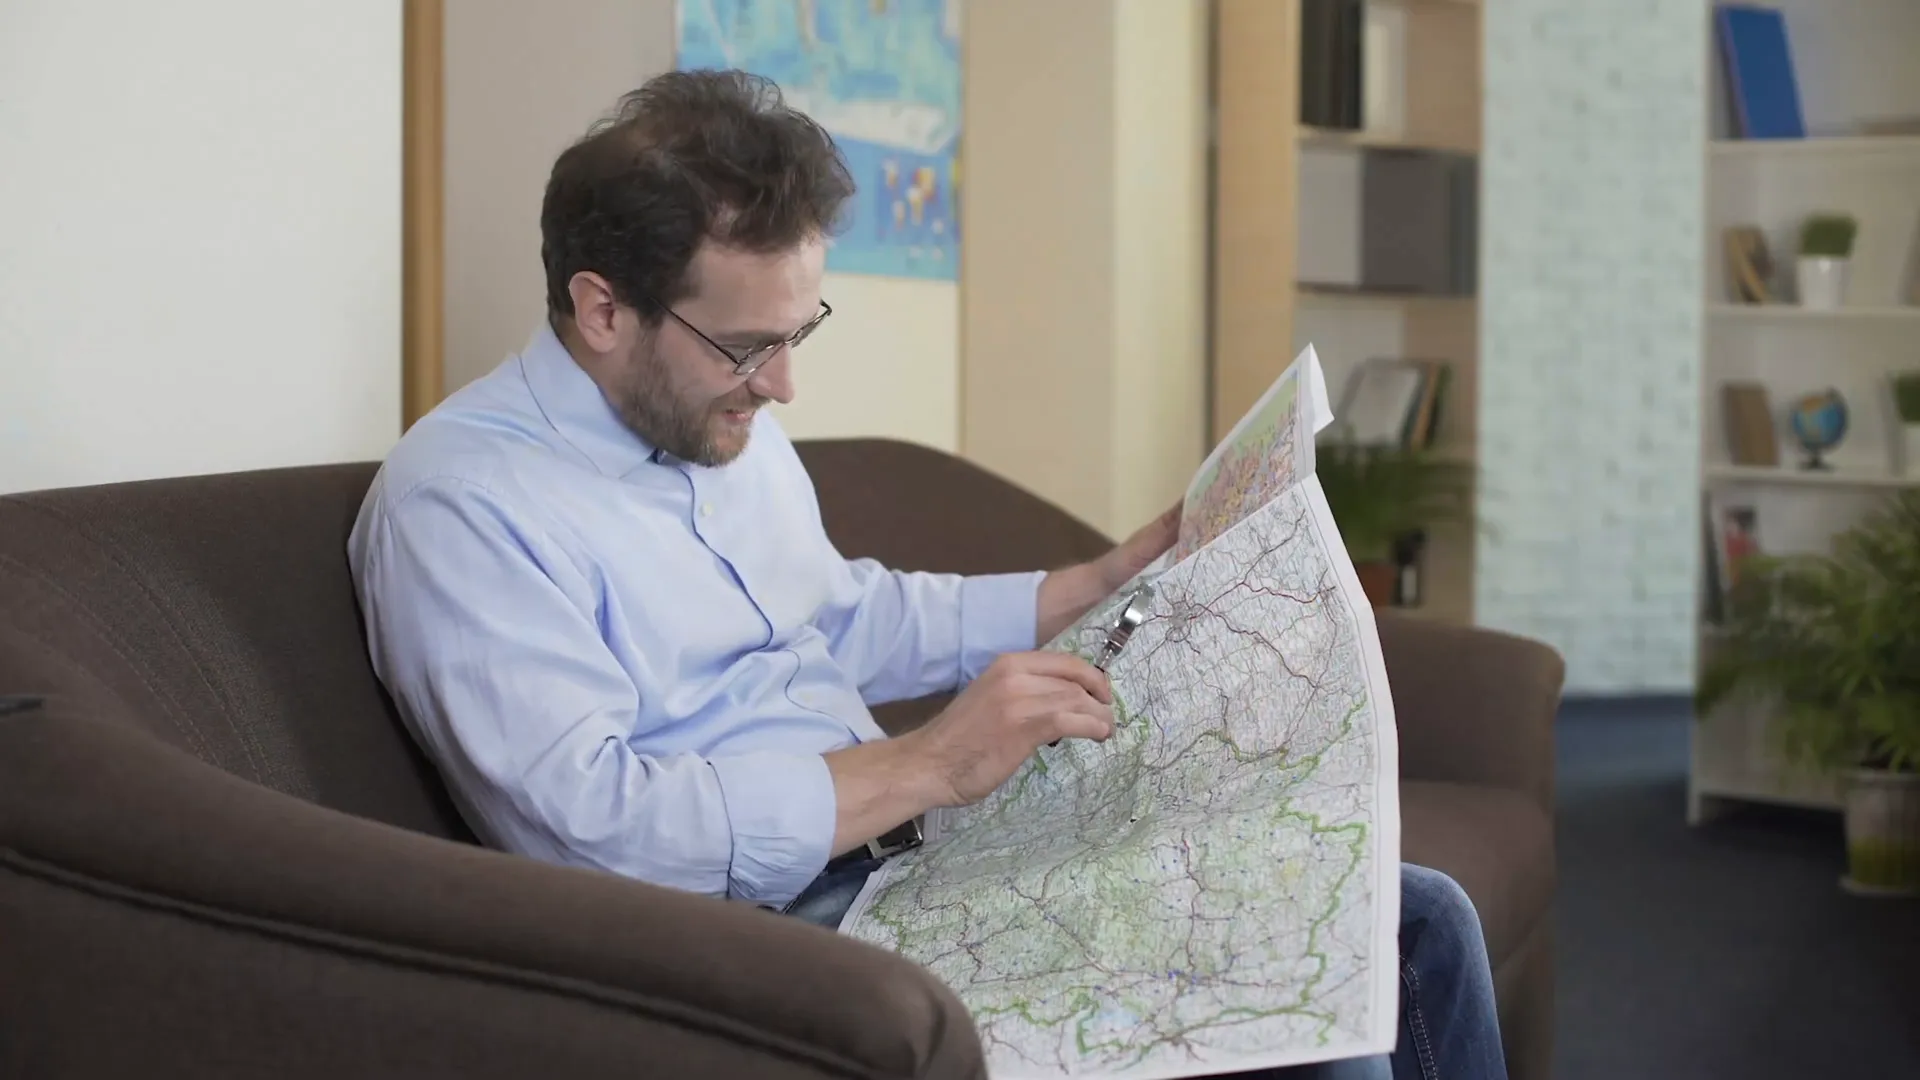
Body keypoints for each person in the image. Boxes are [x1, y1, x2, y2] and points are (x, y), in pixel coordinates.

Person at [347, 69, 1508, 1080]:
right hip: (774, 933)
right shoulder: (462, 504)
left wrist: (1087, 583)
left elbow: (838, 612)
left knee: (1411, 924)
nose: (785, 388)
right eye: (751, 348)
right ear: (602, 308)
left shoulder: (711, 417)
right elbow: (591, 832)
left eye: (802, 333)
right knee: (1292, 991)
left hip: (908, 856)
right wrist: (930, 762)